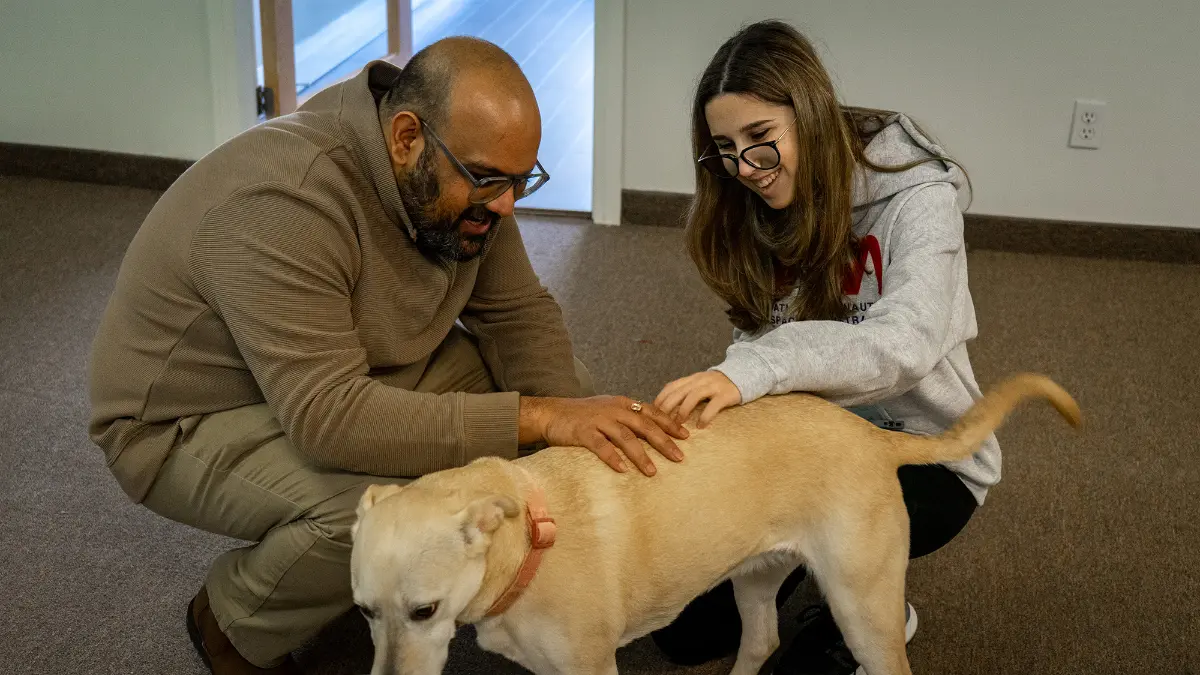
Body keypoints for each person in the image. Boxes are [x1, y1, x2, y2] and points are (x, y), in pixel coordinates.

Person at [87, 37, 687, 674]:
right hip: (188, 417)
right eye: (489, 180)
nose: (506, 204)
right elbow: (329, 419)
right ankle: (231, 620)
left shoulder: (461, 162)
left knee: (568, 400)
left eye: (520, 181)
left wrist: (563, 448)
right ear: (406, 138)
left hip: (354, 365)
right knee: (377, 506)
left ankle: (370, 572)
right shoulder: (282, 199)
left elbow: (515, 313)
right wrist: (537, 419)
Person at [649, 20, 990, 675]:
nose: (746, 169)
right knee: (685, 634)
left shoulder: (919, 195)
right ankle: (824, 561)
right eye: (725, 148)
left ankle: (873, 601)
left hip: (924, 456)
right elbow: (758, 341)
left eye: (760, 138)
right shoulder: (750, 197)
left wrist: (754, 368)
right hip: (801, 453)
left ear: (807, 112)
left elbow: (906, 345)